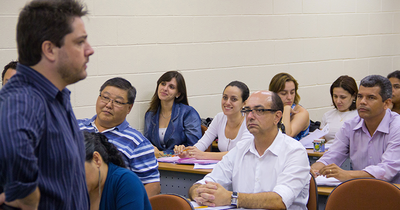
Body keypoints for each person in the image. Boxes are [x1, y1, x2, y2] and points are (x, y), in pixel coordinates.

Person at [0, 0, 94, 209]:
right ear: (50, 49)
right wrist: (27, 197)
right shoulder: (24, 98)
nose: (90, 50)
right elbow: (13, 154)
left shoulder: (57, 96)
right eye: (79, 42)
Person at [189, 91, 310, 209]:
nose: (250, 116)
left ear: (277, 117)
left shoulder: (295, 152)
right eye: (247, 111)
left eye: (259, 111)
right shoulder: (241, 149)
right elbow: (206, 182)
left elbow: (279, 201)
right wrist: (198, 192)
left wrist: (231, 198)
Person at [78, 77, 160, 197]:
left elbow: (152, 185)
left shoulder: (137, 143)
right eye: (105, 98)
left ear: (129, 108)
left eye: (117, 102)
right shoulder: (74, 127)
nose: (109, 105)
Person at [311, 75, 400, 183]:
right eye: (360, 96)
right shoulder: (350, 126)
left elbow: (387, 169)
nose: (362, 102)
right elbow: (332, 155)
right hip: (360, 189)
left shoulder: (397, 126)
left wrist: (347, 174)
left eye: (371, 97)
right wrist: (315, 168)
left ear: (386, 103)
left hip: (393, 193)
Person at [174, 81, 253, 160]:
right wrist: (186, 152)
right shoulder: (219, 118)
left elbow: (239, 153)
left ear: (244, 103)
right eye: (225, 97)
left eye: (234, 99)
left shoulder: (249, 122)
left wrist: (202, 155)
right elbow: (202, 144)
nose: (227, 102)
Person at [83, 131, 152, 210]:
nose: (73, 181)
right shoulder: (80, 190)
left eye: (78, 173)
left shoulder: (127, 181)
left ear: (96, 159)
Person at [144, 71, 202, 155]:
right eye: (163, 84)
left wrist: (162, 154)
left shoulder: (188, 113)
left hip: (180, 163)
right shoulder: (150, 114)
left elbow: (194, 146)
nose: (165, 88)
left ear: (178, 93)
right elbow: (147, 143)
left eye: (171, 87)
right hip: (157, 163)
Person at [269, 72, 310, 140]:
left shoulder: (301, 112)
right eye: (284, 93)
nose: (289, 97)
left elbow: (286, 135)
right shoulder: (269, 110)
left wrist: (286, 108)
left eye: (292, 92)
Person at [321, 75, 358, 146]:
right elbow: (320, 141)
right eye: (335, 96)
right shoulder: (327, 115)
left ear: (353, 96)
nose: (338, 101)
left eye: (343, 97)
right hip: (327, 153)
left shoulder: (359, 115)